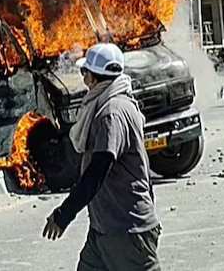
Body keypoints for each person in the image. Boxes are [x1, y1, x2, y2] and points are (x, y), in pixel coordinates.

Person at [43, 42, 160, 270]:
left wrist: (64, 214)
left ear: (93, 78)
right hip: (104, 228)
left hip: (126, 230)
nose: (82, 77)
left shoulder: (111, 113)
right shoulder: (113, 102)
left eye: (84, 72)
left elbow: (97, 172)